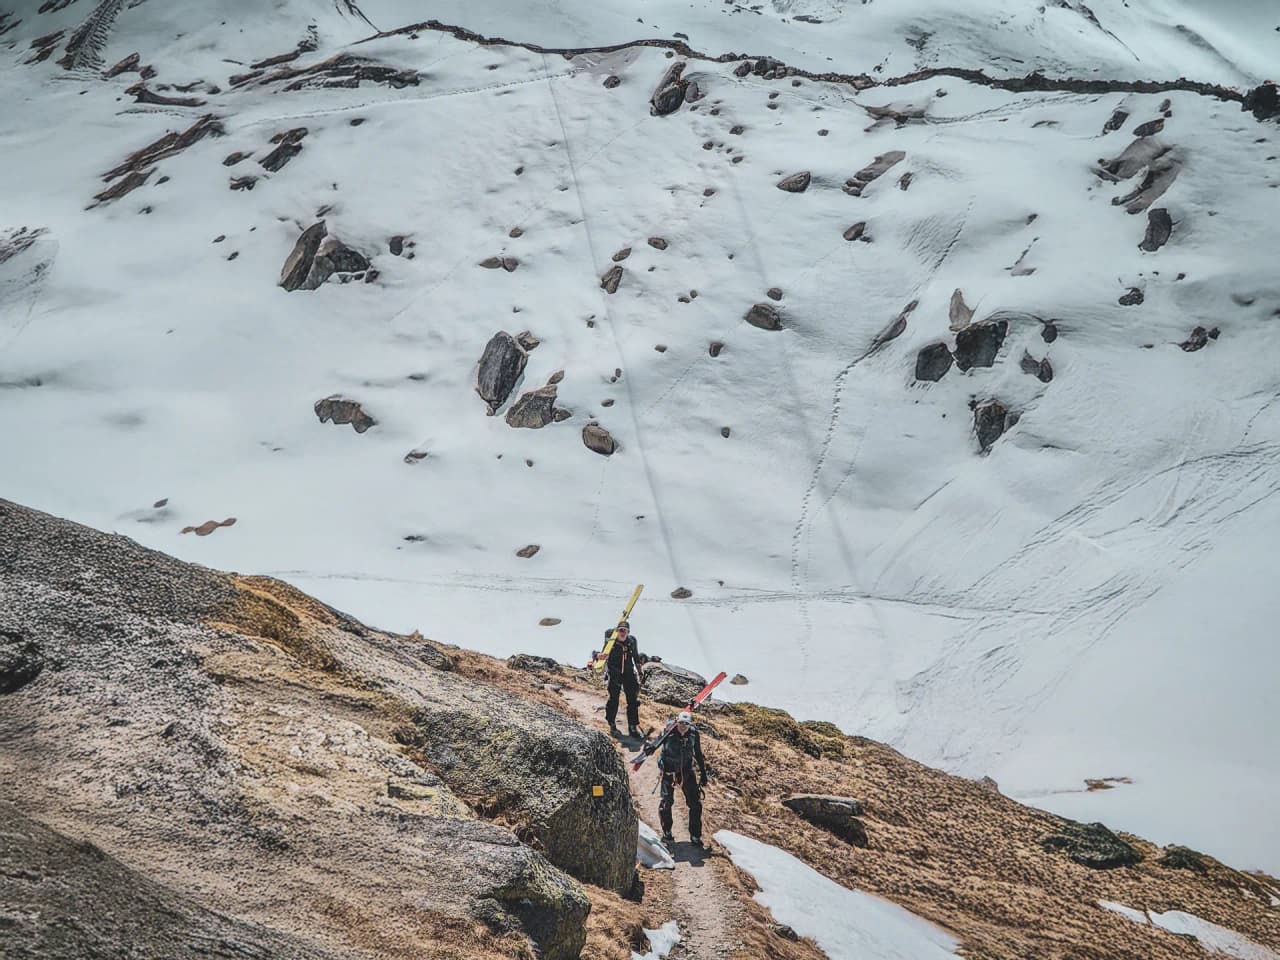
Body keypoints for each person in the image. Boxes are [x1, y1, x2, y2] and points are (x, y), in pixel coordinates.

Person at [657, 710, 708, 848]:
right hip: (669, 770)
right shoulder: (669, 731)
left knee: (695, 804)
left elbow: (697, 752)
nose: (683, 726)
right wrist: (650, 750)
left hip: (686, 770)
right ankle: (667, 831)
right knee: (666, 802)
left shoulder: (693, 734)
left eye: (686, 724)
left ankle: (695, 835)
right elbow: (657, 743)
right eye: (680, 723)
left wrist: (703, 772)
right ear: (676, 722)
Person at [603, 620, 652, 738]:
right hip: (614, 673)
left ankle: (632, 726)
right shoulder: (610, 642)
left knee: (633, 701)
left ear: (628, 632)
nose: (623, 632)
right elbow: (604, 654)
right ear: (616, 631)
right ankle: (611, 723)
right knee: (613, 699)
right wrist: (601, 657)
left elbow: (635, 656)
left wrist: (640, 671)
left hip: (629, 673)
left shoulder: (632, 641)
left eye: (625, 630)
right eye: (620, 630)